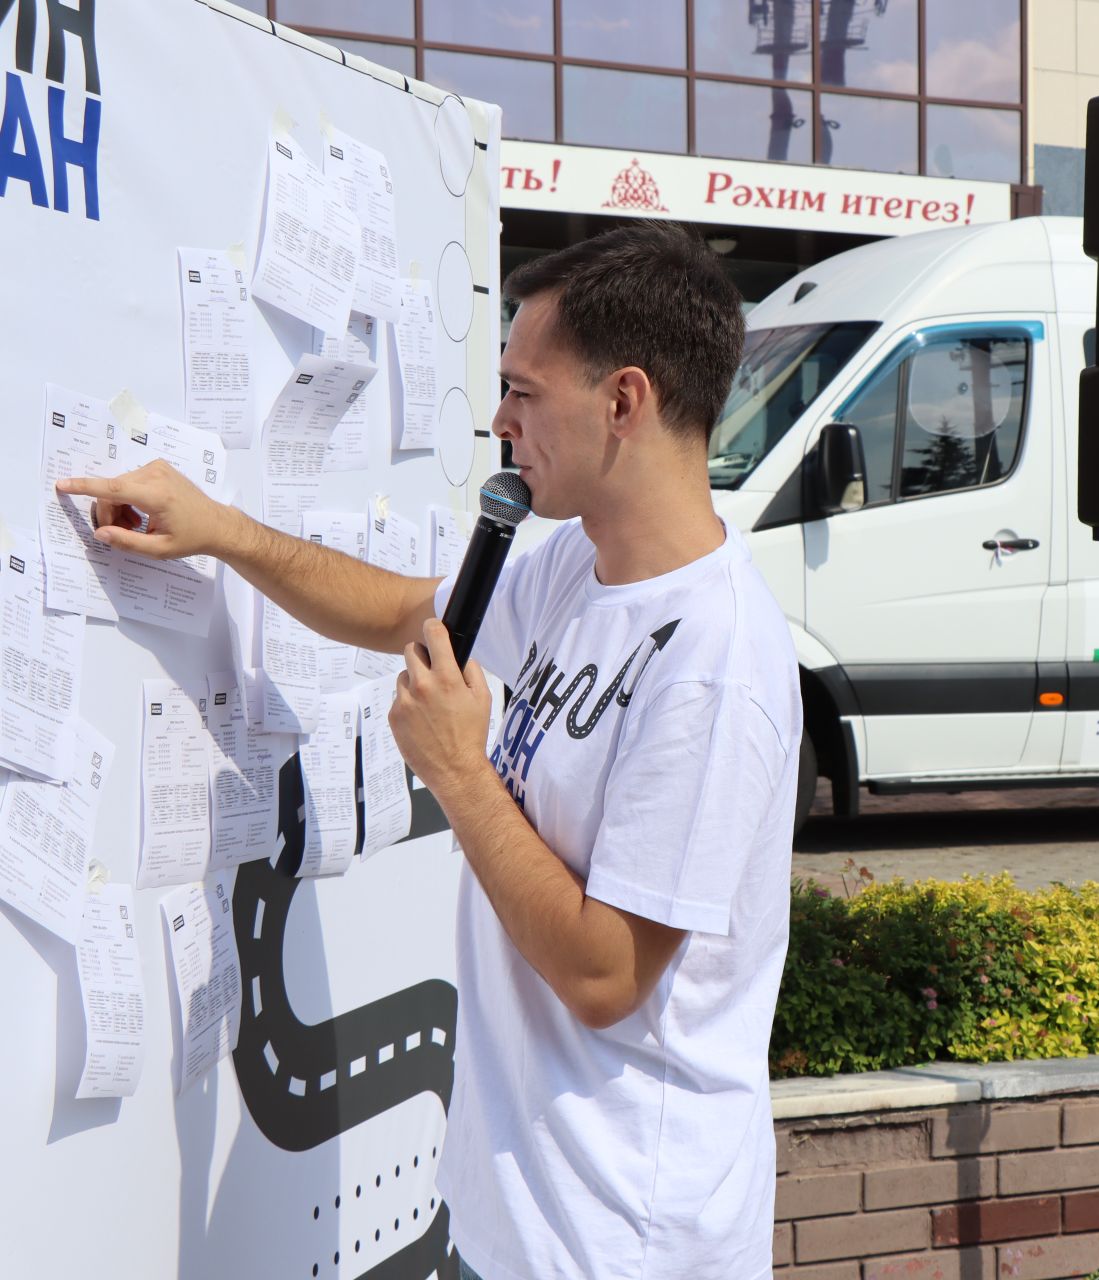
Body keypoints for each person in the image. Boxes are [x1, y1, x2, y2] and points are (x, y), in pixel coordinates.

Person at [58, 222, 800, 1280]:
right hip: (517, 1217)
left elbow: (606, 973)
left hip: (626, 1240)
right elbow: (406, 612)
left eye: (524, 391)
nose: (499, 422)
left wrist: (458, 769)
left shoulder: (718, 667)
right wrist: (221, 529)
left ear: (624, 400)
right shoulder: (567, 572)